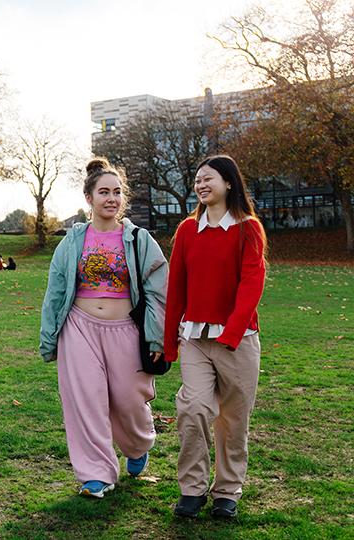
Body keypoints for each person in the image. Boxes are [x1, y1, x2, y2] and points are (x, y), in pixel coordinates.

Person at [39, 157, 167, 498]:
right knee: (87, 400)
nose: (111, 198)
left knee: (128, 400)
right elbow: (55, 291)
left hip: (124, 330)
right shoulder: (72, 241)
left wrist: (156, 336)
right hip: (79, 328)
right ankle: (96, 474)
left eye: (117, 192)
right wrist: (49, 337)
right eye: (103, 192)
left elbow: (159, 292)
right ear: (89, 198)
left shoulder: (140, 240)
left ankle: (138, 445)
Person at [165, 155, 267, 519]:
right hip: (194, 337)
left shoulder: (248, 228)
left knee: (233, 420)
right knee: (193, 408)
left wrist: (233, 331)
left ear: (228, 183)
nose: (201, 185)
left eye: (208, 179)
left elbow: (252, 281)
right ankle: (192, 488)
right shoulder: (186, 232)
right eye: (197, 180)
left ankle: (227, 490)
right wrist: (168, 341)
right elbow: (176, 286)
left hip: (237, 341)